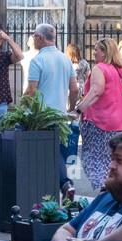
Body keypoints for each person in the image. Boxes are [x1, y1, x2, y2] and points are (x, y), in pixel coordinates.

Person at [73, 37, 122, 193]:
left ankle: (106, 191)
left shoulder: (99, 68)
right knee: (115, 161)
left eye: (97, 49)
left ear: (105, 52)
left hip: (101, 124)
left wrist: (79, 110)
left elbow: (96, 91)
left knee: (93, 160)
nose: (94, 52)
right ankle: (118, 191)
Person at [24, 23, 78, 188]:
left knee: (48, 154)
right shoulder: (65, 59)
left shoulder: (37, 60)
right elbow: (74, 89)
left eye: (34, 36)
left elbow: (31, 91)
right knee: (61, 153)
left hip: (42, 118)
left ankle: (64, 184)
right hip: (60, 116)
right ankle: (65, 184)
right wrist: (71, 108)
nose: (33, 39)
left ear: (40, 38)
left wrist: (22, 107)